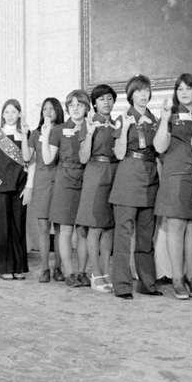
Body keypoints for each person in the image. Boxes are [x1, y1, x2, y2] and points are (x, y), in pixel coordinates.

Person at [153, 73, 192, 300]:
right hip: (174, 174)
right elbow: (160, 147)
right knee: (176, 225)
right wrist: (164, 120)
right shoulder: (170, 115)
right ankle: (177, 278)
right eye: (180, 88)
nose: (184, 92)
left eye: (189, 88)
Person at [110, 75, 161, 299]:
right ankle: (121, 285)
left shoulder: (155, 119)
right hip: (128, 176)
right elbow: (119, 153)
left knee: (145, 236)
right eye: (139, 91)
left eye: (146, 90)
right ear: (131, 95)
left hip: (150, 177)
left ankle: (147, 283)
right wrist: (124, 130)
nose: (143, 95)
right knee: (123, 235)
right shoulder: (123, 118)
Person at [76, 84, 120, 293]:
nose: (107, 102)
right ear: (94, 103)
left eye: (110, 98)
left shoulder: (117, 122)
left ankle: (105, 270)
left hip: (115, 173)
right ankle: (95, 273)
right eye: (102, 99)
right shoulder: (89, 123)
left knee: (110, 227)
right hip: (95, 172)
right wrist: (91, 134)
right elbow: (83, 157)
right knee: (95, 226)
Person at [45, 90, 91, 288]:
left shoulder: (92, 127)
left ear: (86, 108)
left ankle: (82, 272)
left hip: (87, 179)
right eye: (71, 105)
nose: (75, 109)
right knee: (65, 229)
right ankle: (69, 272)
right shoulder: (59, 130)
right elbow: (48, 159)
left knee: (83, 230)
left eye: (79, 105)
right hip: (64, 180)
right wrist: (46, 134)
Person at [0, 99, 32, 280]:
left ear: (19, 114)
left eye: (13, 112)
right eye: (7, 112)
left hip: (19, 184)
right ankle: (4, 267)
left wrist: (29, 186)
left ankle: (19, 267)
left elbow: (29, 161)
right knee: (3, 228)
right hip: (0, 184)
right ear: (2, 115)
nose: (10, 116)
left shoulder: (24, 134)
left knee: (18, 226)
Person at [27, 98, 65, 282]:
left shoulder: (64, 131)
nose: (48, 112)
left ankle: (58, 267)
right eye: (45, 109)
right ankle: (44, 268)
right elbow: (28, 158)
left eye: (51, 109)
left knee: (59, 227)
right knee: (43, 227)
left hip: (59, 181)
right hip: (41, 182)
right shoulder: (35, 133)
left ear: (58, 111)